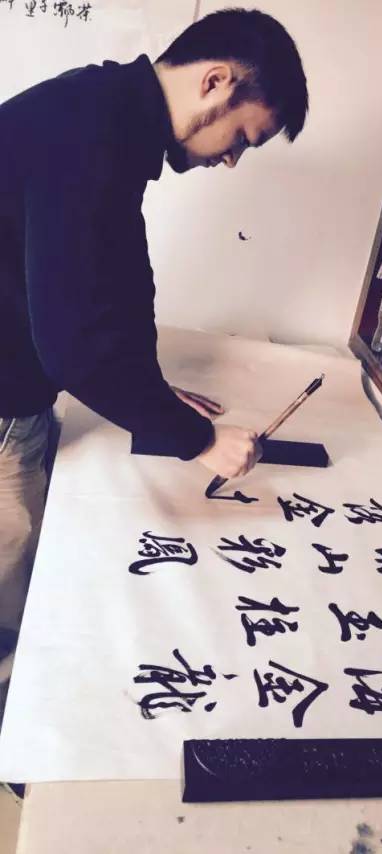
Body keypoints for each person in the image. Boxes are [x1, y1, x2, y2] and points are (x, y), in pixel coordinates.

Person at [0, 8, 308, 724]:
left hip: (17, 379)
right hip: (5, 398)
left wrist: (150, 390)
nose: (231, 161)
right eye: (243, 138)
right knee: (11, 578)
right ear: (216, 81)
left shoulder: (107, 111)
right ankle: (16, 734)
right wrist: (198, 440)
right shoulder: (91, 128)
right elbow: (75, 342)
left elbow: (116, 275)